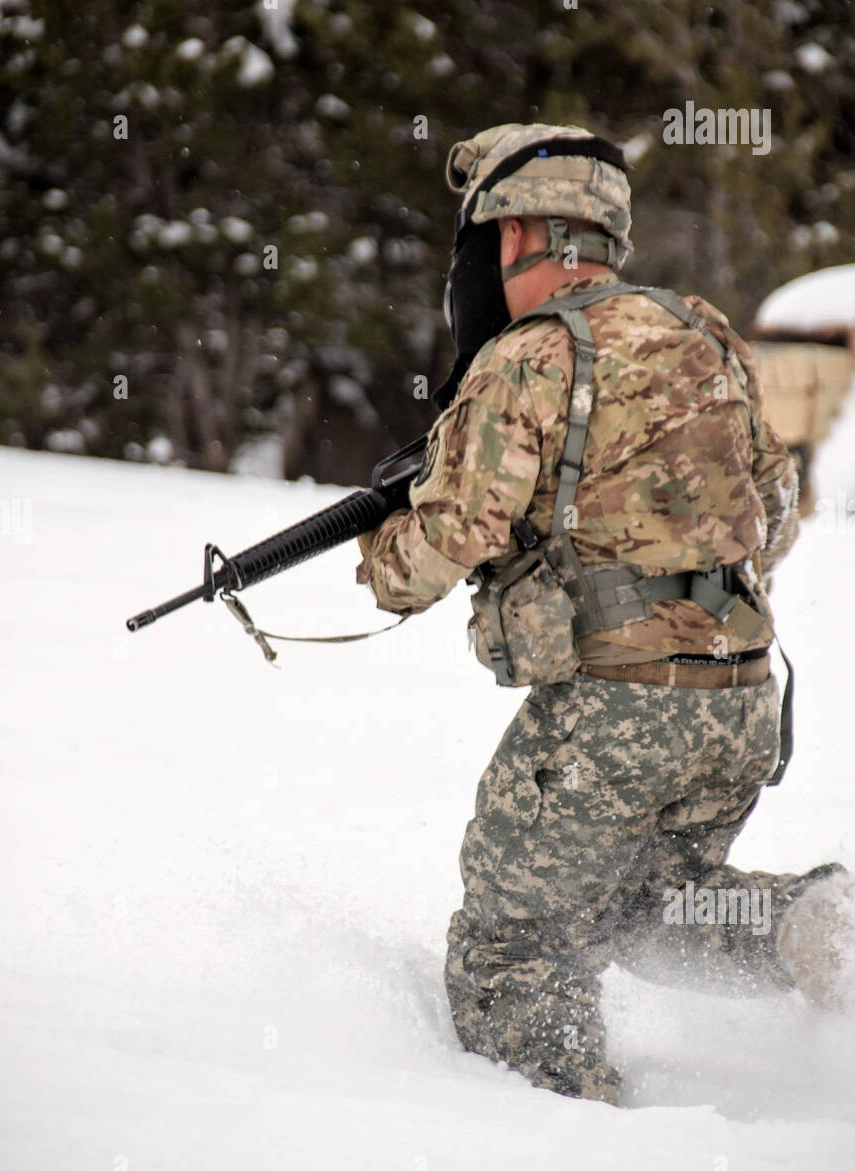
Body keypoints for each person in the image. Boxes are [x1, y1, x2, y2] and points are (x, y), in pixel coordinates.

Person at [356, 123, 852, 1103]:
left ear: (515, 236)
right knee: (642, 907)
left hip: (620, 709)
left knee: (513, 951)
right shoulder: (700, 328)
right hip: (742, 695)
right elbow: (771, 512)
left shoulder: (527, 359)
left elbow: (448, 539)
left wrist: (380, 559)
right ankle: (816, 928)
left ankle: (572, 1146)